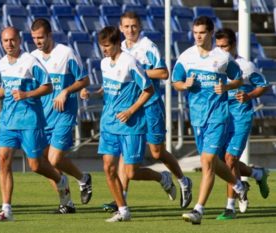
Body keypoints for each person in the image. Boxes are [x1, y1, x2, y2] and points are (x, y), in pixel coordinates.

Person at [101, 11, 193, 212]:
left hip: (150, 105)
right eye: (126, 26)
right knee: (127, 158)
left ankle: (182, 180)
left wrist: (135, 71)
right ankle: (121, 200)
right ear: (121, 27)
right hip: (130, 110)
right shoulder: (120, 46)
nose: (130, 30)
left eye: (133, 26)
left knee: (156, 151)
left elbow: (163, 72)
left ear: (140, 26)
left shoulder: (147, 46)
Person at [0, 27, 70, 222]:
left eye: (12, 40)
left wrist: (26, 95)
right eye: (5, 41)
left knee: (36, 165)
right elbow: (6, 86)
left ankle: (60, 179)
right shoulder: (3, 63)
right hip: (8, 121)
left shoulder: (30, 61)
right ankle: (6, 210)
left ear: (19, 40)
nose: (9, 44)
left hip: (30, 120)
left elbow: (48, 86)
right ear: (1, 42)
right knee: (3, 160)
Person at [171, 16, 248, 225]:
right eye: (195, 32)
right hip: (197, 118)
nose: (198, 36)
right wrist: (184, 85)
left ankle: (198, 210)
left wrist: (227, 87)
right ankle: (239, 186)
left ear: (211, 33)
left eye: (202, 32)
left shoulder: (222, 58)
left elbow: (239, 79)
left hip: (218, 116)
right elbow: (174, 81)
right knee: (214, 162)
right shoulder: (186, 57)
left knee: (206, 162)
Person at [97, 26, 176, 222]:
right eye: (101, 46)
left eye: (107, 46)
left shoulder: (130, 62)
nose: (104, 50)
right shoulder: (104, 64)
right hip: (109, 124)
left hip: (131, 125)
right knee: (109, 168)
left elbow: (148, 90)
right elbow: (111, 91)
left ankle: (162, 177)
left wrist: (131, 110)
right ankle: (123, 210)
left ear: (116, 44)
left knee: (130, 172)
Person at [30, 18, 92, 214]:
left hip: (64, 114)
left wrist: (66, 91)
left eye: (41, 37)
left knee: (54, 159)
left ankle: (82, 178)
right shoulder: (32, 57)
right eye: (34, 38)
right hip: (42, 117)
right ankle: (67, 201)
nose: (38, 42)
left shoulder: (66, 53)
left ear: (49, 35)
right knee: (44, 163)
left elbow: (84, 79)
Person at [214, 28, 270, 220]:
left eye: (225, 46)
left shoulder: (245, 66)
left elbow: (263, 85)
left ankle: (230, 207)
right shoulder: (214, 65)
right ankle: (257, 174)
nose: (222, 50)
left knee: (229, 160)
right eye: (218, 46)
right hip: (221, 119)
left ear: (233, 45)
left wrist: (249, 95)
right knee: (222, 162)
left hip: (240, 119)